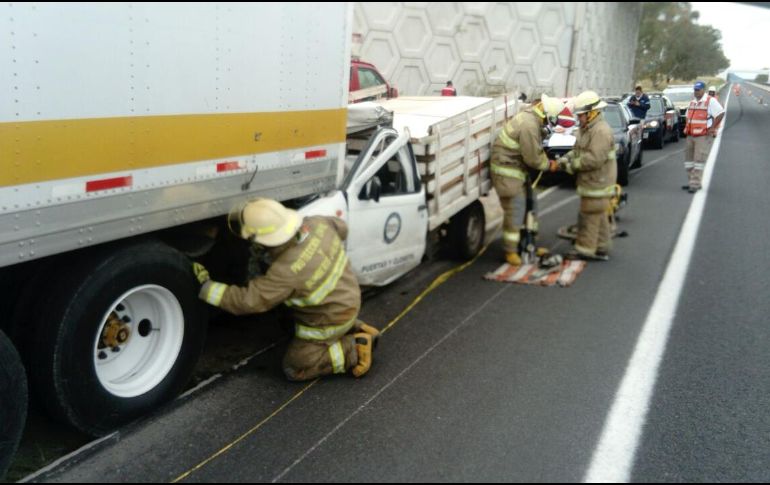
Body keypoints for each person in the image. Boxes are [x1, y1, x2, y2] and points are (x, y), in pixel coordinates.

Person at [193, 198, 379, 381]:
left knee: (295, 367)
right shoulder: (317, 223)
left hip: (330, 320)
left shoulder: (285, 272)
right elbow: (342, 228)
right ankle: (355, 327)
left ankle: (353, 348)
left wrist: (205, 287)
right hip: (349, 297)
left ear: (261, 240)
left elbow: (248, 301)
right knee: (287, 313)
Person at [490, 94, 564, 265]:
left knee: (532, 204)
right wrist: (549, 165)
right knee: (516, 208)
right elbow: (533, 158)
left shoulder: (532, 121)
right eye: (550, 120)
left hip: (515, 171)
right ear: (547, 115)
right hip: (506, 172)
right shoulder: (529, 124)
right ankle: (510, 251)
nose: (548, 124)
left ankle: (528, 244)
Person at [556, 90, 617, 261]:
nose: (579, 118)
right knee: (599, 214)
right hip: (593, 182)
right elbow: (577, 150)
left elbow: (594, 159)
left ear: (592, 113)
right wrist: (565, 159)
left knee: (588, 215)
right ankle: (602, 247)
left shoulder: (601, 132)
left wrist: (572, 165)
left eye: (582, 115)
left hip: (598, 183)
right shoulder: (586, 129)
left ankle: (585, 249)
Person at [682, 81, 724, 193]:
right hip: (690, 135)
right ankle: (692, 181)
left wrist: (712, 128)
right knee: (688, 161)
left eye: (698, 89)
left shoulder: (710, 101)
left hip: (703, 135)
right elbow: (687, 116)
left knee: (699, 160)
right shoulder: (692, 102)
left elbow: (720, 113)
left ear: (703, 90)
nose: (696, 92)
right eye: (695, 89)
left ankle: (695, 184)